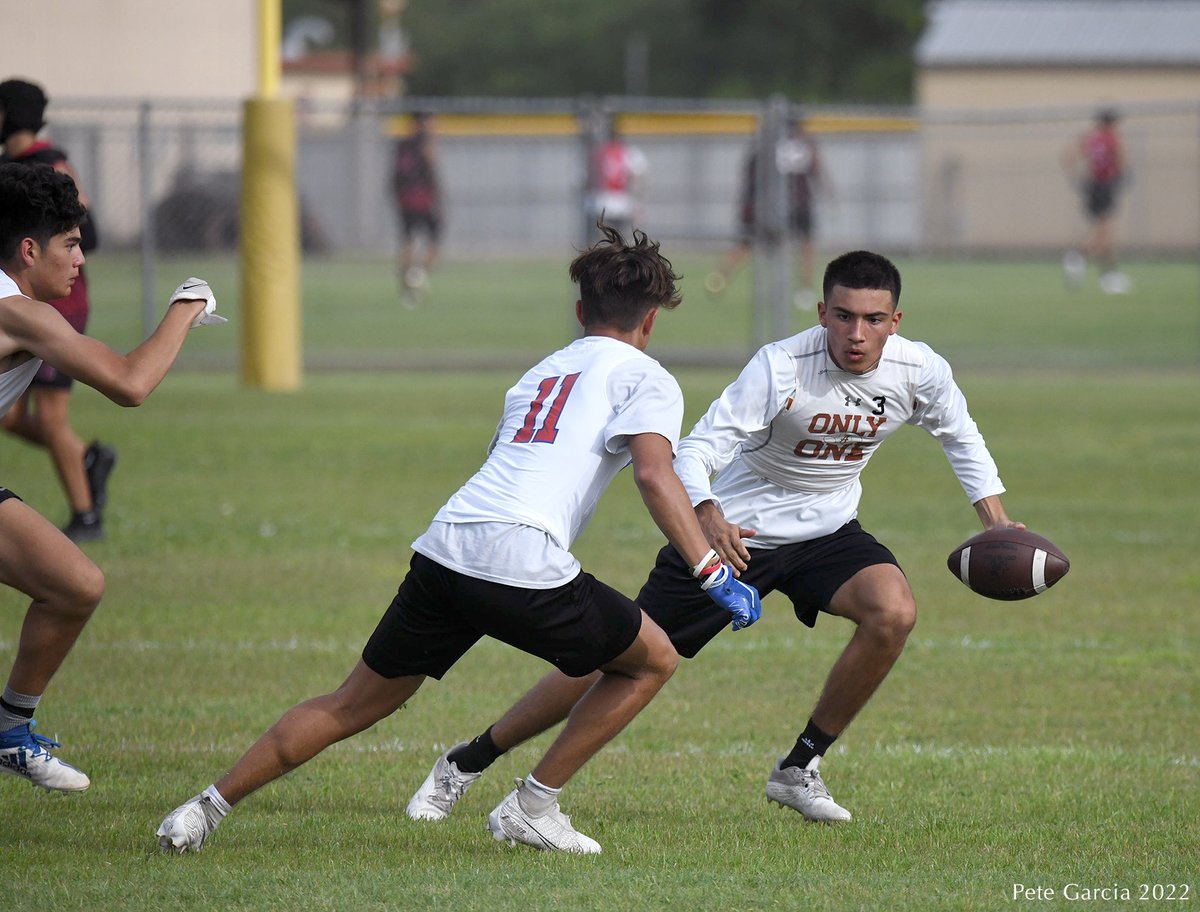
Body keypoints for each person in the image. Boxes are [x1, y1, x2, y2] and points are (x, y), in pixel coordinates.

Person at [156, 224, 761, 856]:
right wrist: (711, 572)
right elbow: (654, 473)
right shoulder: (649, 377)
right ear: (652, 321)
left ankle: (204, 809)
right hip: (521, 556)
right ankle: (533, 804)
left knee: (351, 702)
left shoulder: (540, 372)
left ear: (581, 310)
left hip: (448, 545)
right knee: (653, 658)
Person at [405, 249, 1024, 825]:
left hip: (828, 529)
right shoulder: (781, 366)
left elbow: (961, 437)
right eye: (843, 316)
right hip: (734, 536)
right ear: (822, 313)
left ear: (895, 320)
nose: (856, 334)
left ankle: (799, 766)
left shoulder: (921, 370)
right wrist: (705, 512)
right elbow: (696, 451)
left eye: (872, 319)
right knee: (610, 659)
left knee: (894, 612)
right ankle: (469, 760)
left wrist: (997, 526)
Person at [0, 161, 225, 793]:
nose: (79, 260)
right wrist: (189, 304)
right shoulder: (22, 313)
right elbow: (130, 383)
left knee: (75, 584)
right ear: (28, 249)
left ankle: (10, 729)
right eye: (70, 244)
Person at [0, 78, 116, 542]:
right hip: (22, 298)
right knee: (11, 417)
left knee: (49, 418)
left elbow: (88, 227)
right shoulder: (12, 167)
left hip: (58, 303)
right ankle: (87, 456)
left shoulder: (50, 162)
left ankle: (85, 514)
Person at [706, 119, 825, 309]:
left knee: (757, 245)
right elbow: (817, 170)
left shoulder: (769, 147)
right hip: (790, 204)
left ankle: (719, 280)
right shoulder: (801, 145)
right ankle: (803, 290)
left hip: (776, 205)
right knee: (800, 246)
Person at [1062, 108, 1129, 294]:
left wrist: (1076, 179)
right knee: (1104, 233)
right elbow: (1121, 160)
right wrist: (1122, 176)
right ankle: (1078, 259)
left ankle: (1108, 274)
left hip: (1092, 186)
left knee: (1103, 233)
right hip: (1104, 185)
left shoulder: (1091, 137)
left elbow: (1069, 156)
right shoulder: (1113, 138)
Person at [390, 112, 441, 304]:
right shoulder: (425, 141)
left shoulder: (402, 144)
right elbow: (431, 168)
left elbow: (394, 176)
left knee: (408, 240)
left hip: (404, 199)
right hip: (423, 198)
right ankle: (417, 277)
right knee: (434, 240)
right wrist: (439, 197)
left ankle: (405, 283)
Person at [587, 123, 647, 239]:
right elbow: (639, 176)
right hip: (617, 199)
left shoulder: (599, 152)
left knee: (605, 235)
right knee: (619, 236)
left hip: (606, 199)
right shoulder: (627, 152)